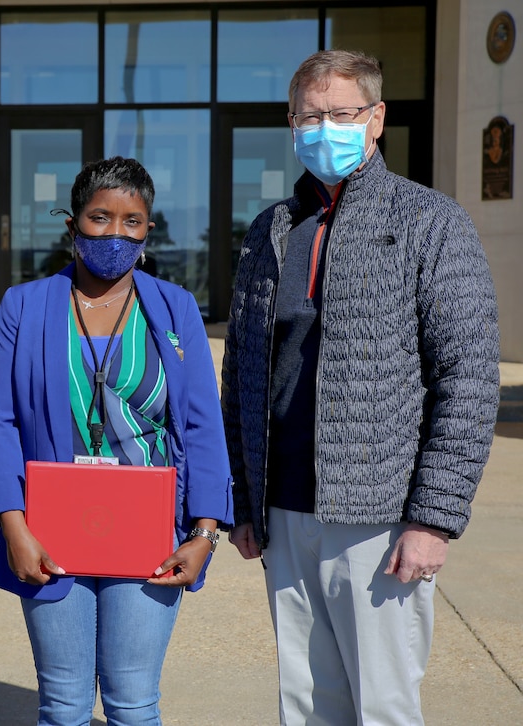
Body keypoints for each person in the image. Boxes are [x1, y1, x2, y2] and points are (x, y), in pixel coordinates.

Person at [221, 49, 500, 724]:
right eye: (309, 115)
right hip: (285, 510)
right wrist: (242, 497)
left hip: (380, 516)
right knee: (307, 702)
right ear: (291, 123)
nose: (325, 127)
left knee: (382, 704)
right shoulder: (271, 232)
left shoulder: (429, 223)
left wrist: (433, 518)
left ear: (375, 119)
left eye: (341, 113)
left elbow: (466, 378)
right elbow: (244, 373)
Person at [0, 156, 234, 725]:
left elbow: (200, 426)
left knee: (133, 701)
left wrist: (206, 533)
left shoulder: (174, 308)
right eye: (100, 218)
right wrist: (14, 526)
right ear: (72, 223)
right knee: (64, 704)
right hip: (49, 529)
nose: (115, 234)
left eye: (132, 222)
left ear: (148, 228)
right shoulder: (25, 306)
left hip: (150, 531)